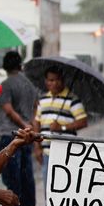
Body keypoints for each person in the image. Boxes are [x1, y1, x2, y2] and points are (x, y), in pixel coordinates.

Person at [0, 51, 40, 206]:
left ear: (5, 66)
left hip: (11, 134)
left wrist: (22, 125)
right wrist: (30, 126)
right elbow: (35, 107)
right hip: (27, 136)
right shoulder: (29, 84)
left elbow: (8, 110)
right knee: (26, 174)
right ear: (20, 65)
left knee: (12, 176)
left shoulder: (6, 85)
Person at [33, 66, 88, 194]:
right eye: (51, 80)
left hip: (67, 152)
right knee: (49, 191)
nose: (54, 83)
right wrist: (37, 147)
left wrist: (62, 127)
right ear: (46, 81)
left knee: (65, 190)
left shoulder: (72, 100)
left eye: (57, 80)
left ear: (63, 80)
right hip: (47, 153)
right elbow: (37, 122)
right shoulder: (42, 99)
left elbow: (83, 121)